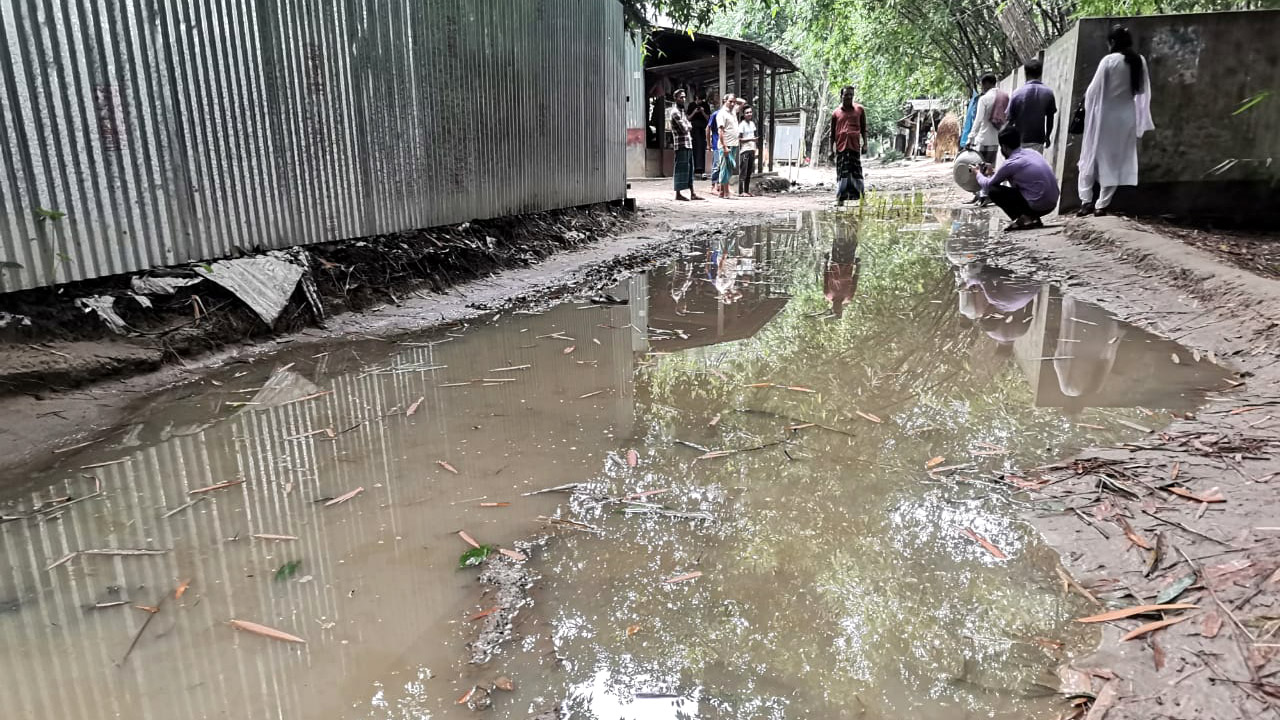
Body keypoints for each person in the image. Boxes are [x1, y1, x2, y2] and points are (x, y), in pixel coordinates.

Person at [1077, 25, 1154, 216]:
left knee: (1091, 156)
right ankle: (1101, 205)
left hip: (1104, 115)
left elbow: (1093, 90)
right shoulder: (1139, 61)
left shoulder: (1108, 61)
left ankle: (1086, 201)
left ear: (1112, 42)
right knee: (1115, 159)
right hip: (1127, 115)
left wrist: (1086, 108)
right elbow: (1142, 91)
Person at [972, 127, 1061, 230]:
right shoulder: (1032, 152)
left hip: (1037, 205)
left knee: (993, 190)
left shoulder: (1010, 163)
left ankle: (1024, 219)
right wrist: (992, 173)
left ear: (1004, 147)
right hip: (1051, 204)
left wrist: (977, 173)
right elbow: (1019, 174)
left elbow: (988, 185)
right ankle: (1033, 219)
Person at [829, 85, 868, 206]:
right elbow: (832, 133)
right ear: (841, 96)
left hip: (854, 146)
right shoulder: (836, 113)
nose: (849, 97)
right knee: (842, 173)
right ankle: (840, 198)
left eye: (851, 94)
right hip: (841, 147)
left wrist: (865, 144)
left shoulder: (859, 110)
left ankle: (861, 198)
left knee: (856, 172)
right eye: (846, 94)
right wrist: (831, 149)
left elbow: (864, 128)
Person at [1008, 59, 1057, 155]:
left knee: (1020, 167)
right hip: (1038, 140)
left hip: (1019, 141)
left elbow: (1010, 120)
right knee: (1034, 166)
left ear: (1025, 73)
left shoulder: (1017, 94)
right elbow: (1050, 118)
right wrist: (1047, 136)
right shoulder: (1048, 93)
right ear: (1040, 73)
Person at [668, 90, 702, 201]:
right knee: (680, 169)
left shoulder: (682, 111)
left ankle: (692, 193)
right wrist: (688, 125)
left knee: (690, 169)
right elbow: (685, 128)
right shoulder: (675, 112)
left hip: (688, 143)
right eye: (681, 97)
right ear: (675, 98)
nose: (683, 99)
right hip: (681, 144)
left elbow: (688, 125)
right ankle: (678, 193)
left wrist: (688, 125)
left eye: (684, 97)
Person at [715, 95, 741, 198]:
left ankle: (722, 191)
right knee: (725, 168)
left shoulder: (733, 111)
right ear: (724, 101)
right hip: (726, 144)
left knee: (729, 167)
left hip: (733, 143)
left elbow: (743, 102)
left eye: (734, 102)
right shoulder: (721, 114)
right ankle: (726, 192)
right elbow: (720, 131)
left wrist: (734, 99)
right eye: (730, 101)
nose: (733, 104)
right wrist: (725, 146)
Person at [738, 106, 759, 196]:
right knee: (743, 171)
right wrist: (750, 139)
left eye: (750, 112)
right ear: (743, 114)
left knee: (749, 171)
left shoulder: (752, 124)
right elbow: (740, 139)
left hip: (752, 149)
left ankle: (746, 191)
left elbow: (754, 137)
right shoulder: (742, 125)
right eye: (747, 113)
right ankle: (741, 191)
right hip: (745, 150)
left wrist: (755, 146)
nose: (749, 114)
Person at [689, 95, 711, 176]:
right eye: (699, 99)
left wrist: (702, 111)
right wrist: (694, 112)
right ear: (696, 98)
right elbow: (688, 118)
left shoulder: (705, 105)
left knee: (702, 148)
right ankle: (695, 169)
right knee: (694, 148)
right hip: (694, 129)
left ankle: (701, 169)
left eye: (702, 100)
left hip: (703, 129)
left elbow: (708, 118)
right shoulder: (691, 105)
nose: (700, 102)